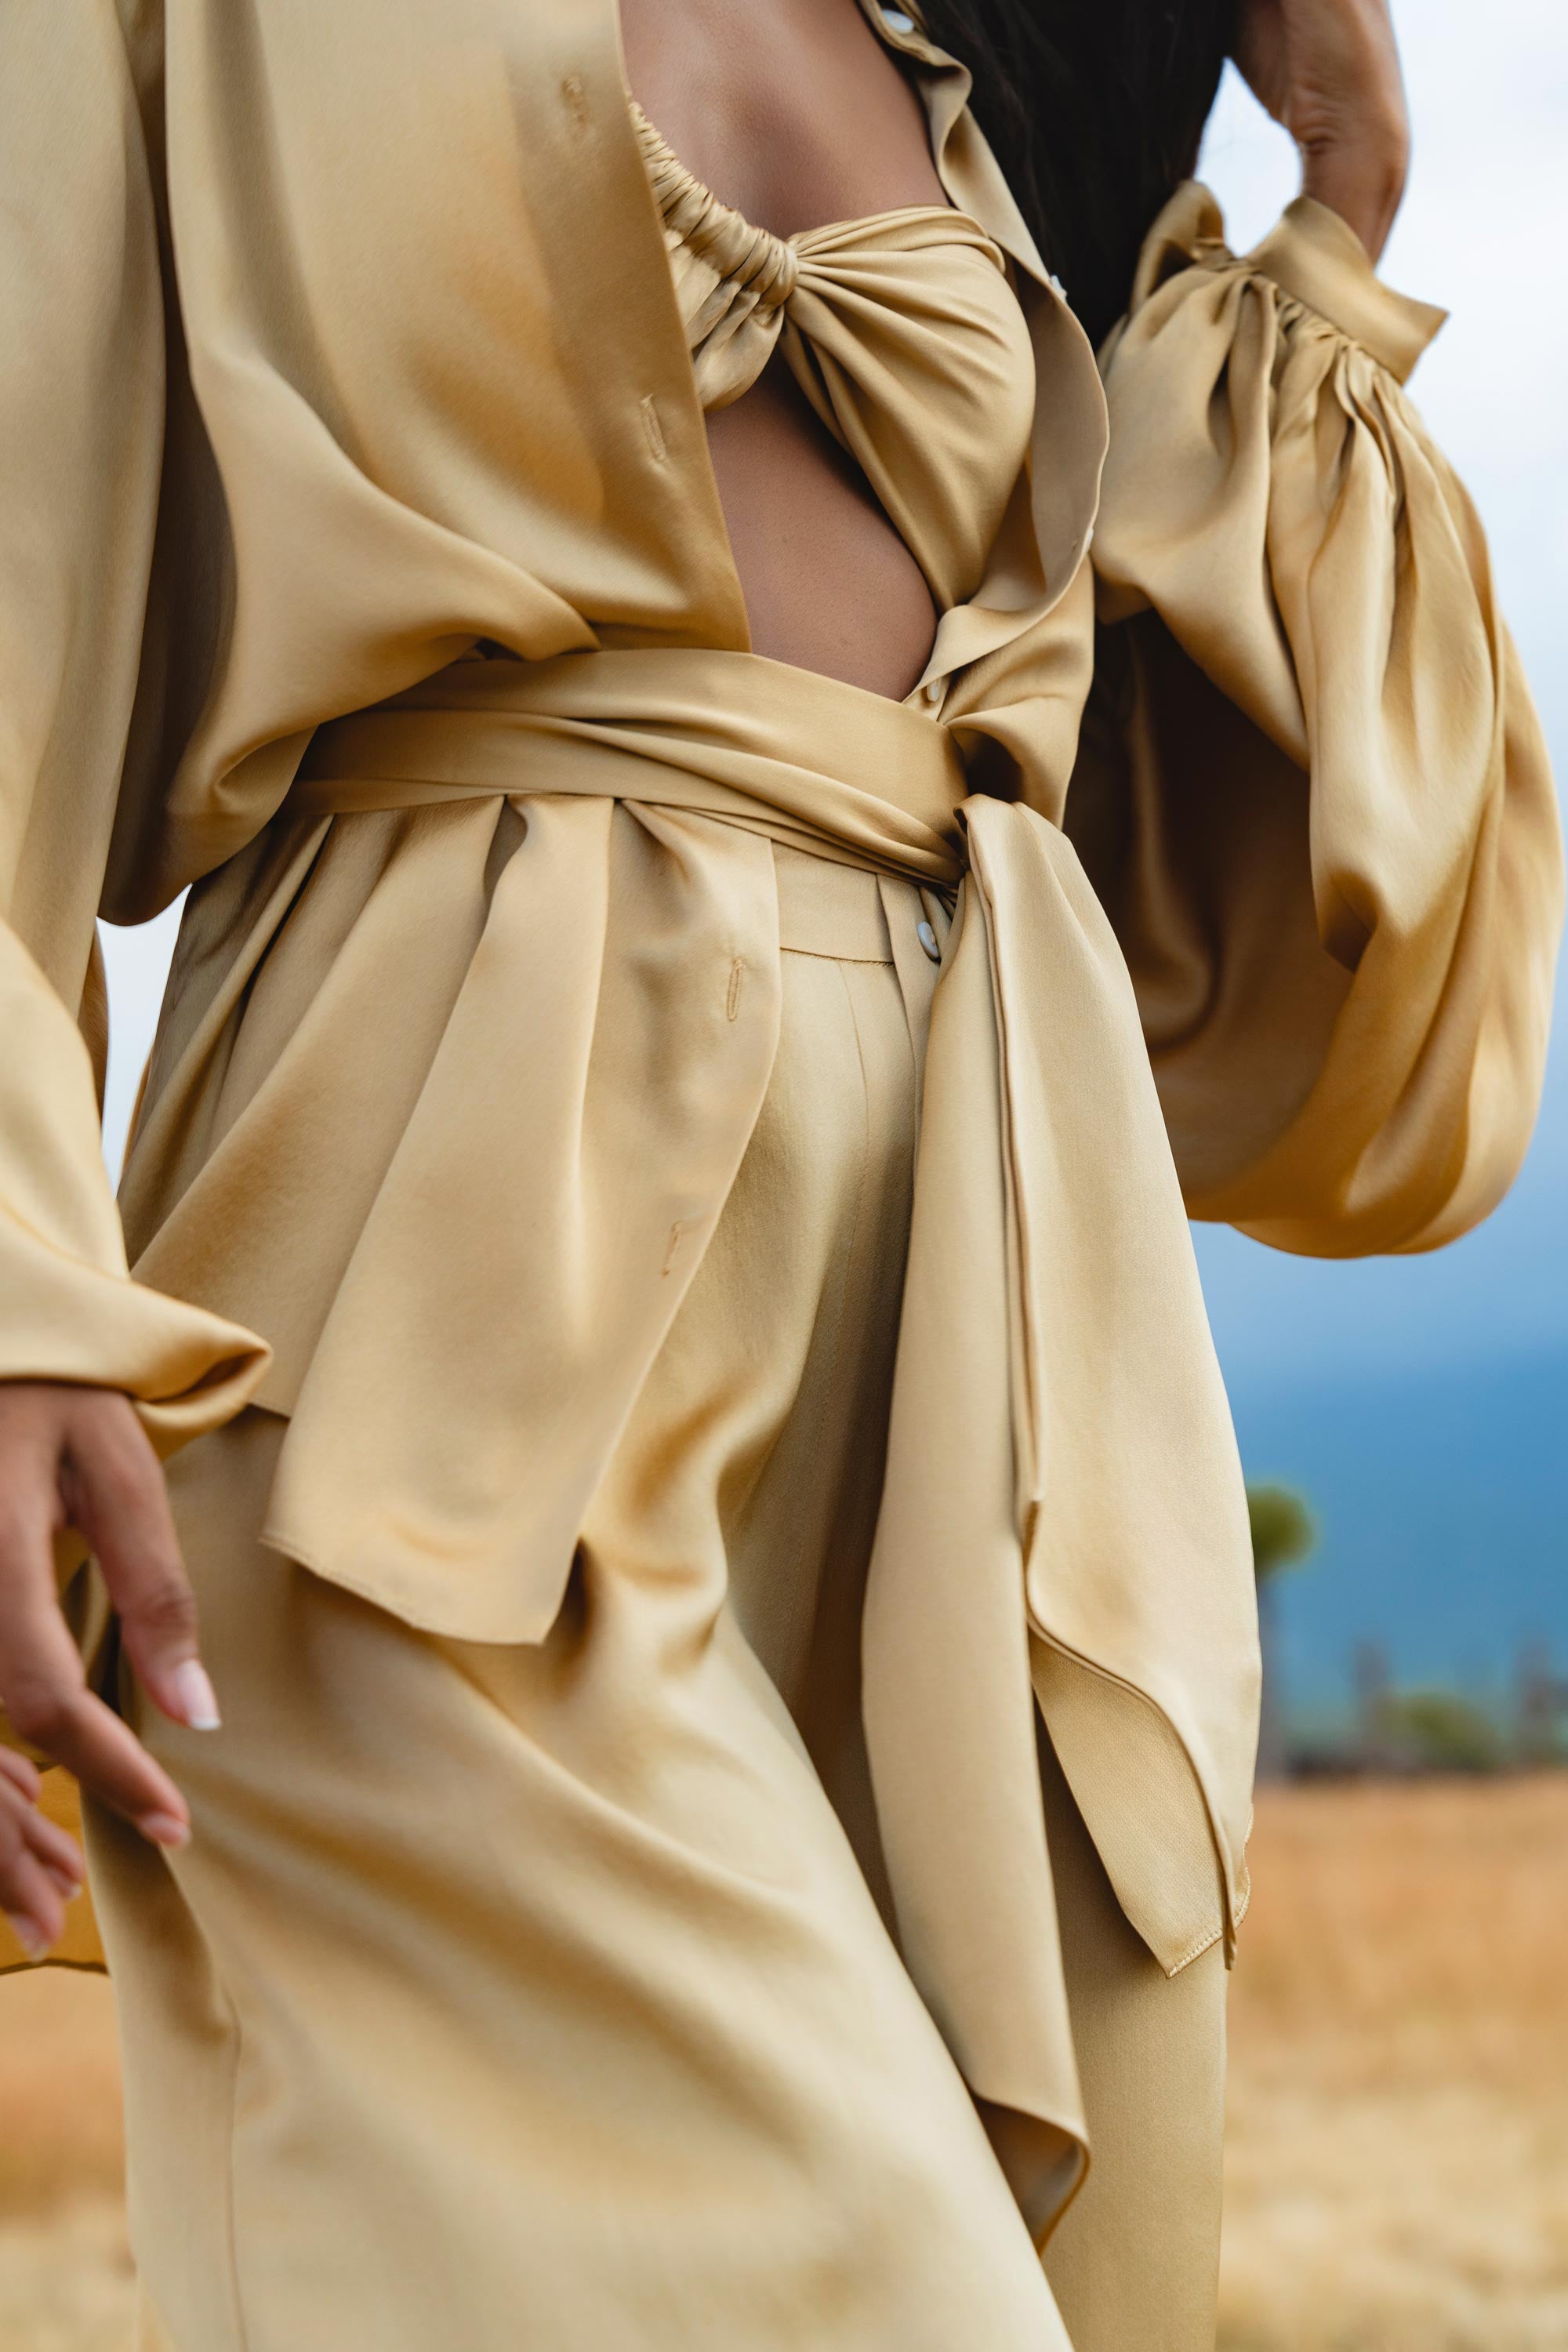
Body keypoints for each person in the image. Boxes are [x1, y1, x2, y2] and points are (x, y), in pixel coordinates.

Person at [0, 0, 1558, 2345]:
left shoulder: (995, 52)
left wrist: (1338, 219)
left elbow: (1368, 1027)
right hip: (439, 1333)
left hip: (1006, 1338)